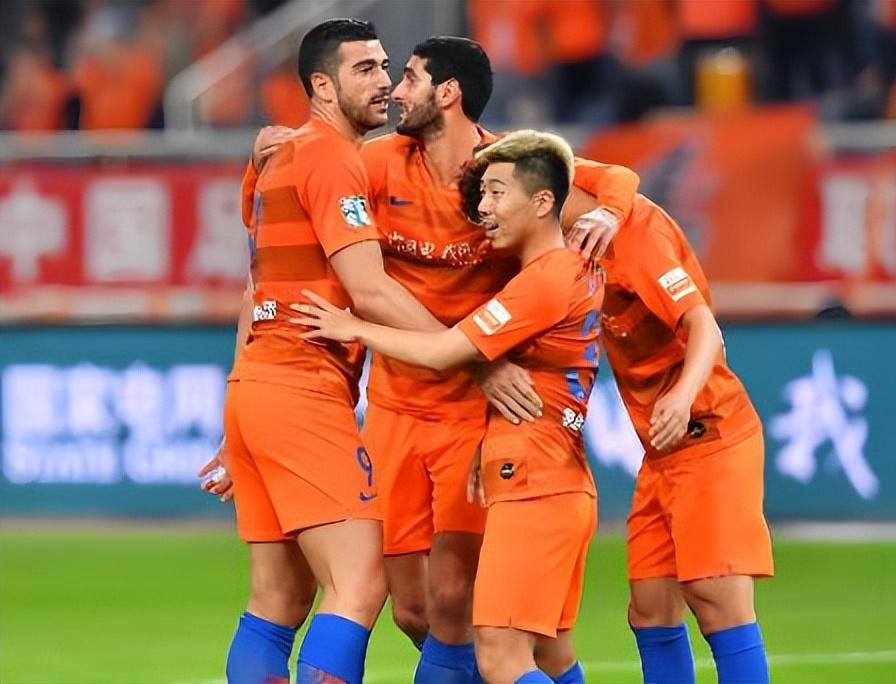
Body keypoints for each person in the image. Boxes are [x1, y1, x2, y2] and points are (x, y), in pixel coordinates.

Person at [216, 35, 638, 684]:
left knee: (449, 598)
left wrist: (610, 211)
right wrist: (266, 153)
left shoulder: (507, 171)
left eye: (403, 75)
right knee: (403, 603)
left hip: (468, 414)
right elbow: (316, 255)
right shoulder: (369, 162)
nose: (391, 86)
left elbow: (614, 179)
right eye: (376, 69)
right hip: (393, 402)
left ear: (448, 93)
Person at [293, 129, 602, 684]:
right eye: (482, 194)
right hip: (545, 475)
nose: (483, 209)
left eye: (497, 194)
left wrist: (355, 327)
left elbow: (443, 351)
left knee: (500, 655)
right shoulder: (564, 272)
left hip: (535, 483)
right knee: (549, 651)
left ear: (542, 202)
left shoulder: (544, 281)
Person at [217, 18, 446, 684]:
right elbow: (368, 289)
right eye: (364, 69)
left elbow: (254, 289)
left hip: (257, 387)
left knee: (279, 598)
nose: (384, 82)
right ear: (322, 85)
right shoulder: (330, 156)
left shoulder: (275, 159)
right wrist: (469, 350)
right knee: (360, 582)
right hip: (302, 387)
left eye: (385, 67)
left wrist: (238, 417)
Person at [567, 186, 774, 683]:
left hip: (710, 434)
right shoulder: (567, 238)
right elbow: (615, 175)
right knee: (650, 611)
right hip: (661, 453)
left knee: (718, 601)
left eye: (497, 191)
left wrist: (681, 396)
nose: (487, 205)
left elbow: (704, 325)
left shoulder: (637, 236)